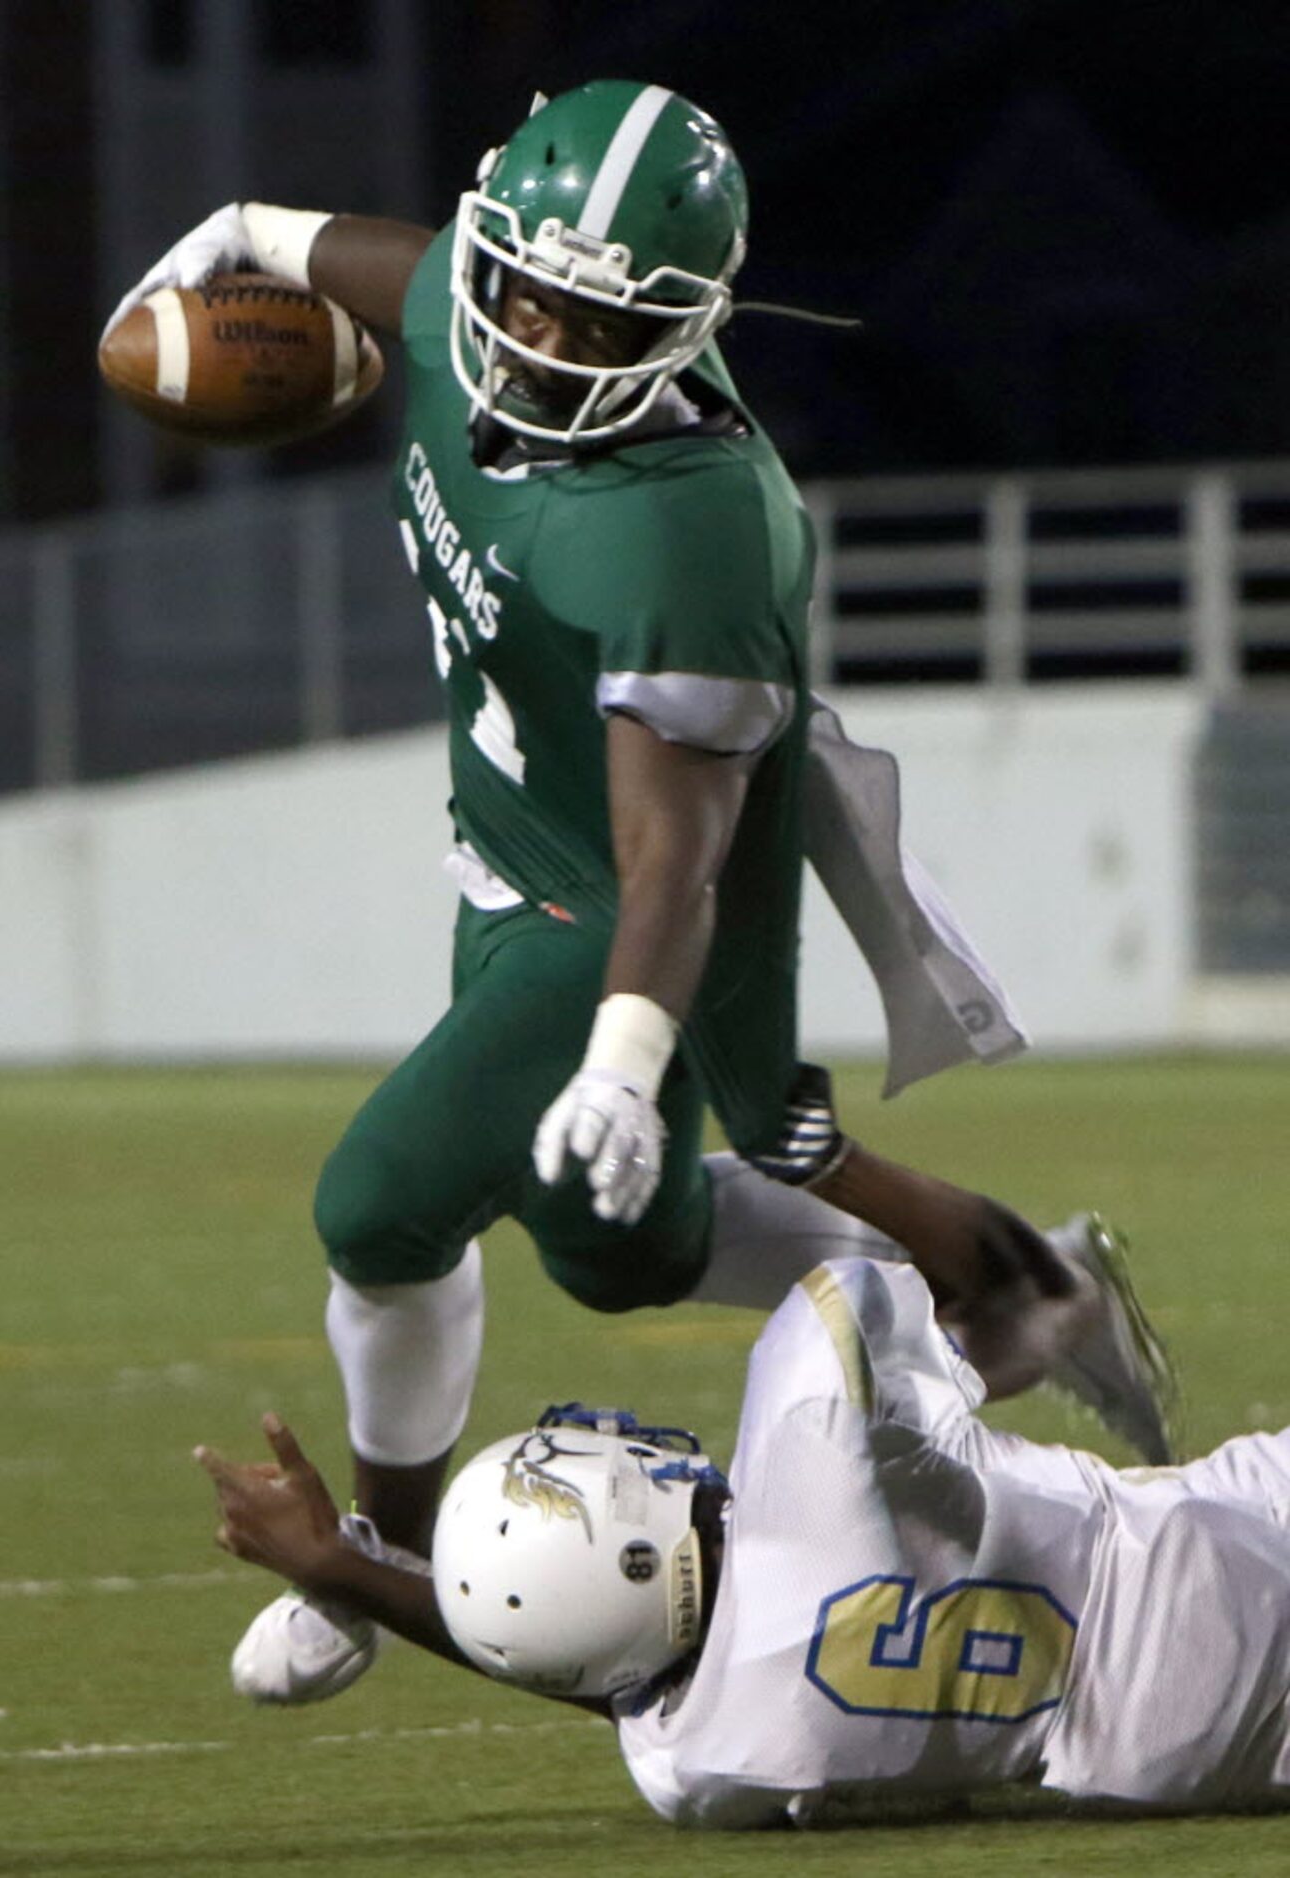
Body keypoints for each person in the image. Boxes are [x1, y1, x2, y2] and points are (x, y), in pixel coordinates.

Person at [108, 81, 1170, 1708]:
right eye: (520, 292)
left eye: (591, 316)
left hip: (628, 894)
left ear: (677, 326)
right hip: (515, 860)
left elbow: (674, 847)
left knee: (378, 1208)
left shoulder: (687, 524)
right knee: (623, 1247)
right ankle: (1017, 1282)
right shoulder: (478, 298)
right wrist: (244, 235)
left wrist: (620, 1052)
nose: (535, 338)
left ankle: (373, 1573)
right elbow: (381, 262)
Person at [198, 1216, 1290, 1829]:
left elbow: (584, 1656)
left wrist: (347, 1568)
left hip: (1168, 1759)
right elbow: (913, 1278)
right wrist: (1034, 1308)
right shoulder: (810, 1446)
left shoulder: (702, 1769)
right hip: (1225, 1557)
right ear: (635, 1543)